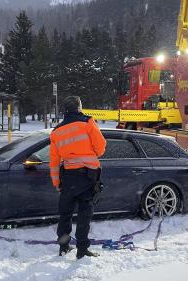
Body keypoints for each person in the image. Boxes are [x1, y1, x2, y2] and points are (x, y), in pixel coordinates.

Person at [49, 96, 107, 259]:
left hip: (68, 178)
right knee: (84, 214)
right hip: (88, 177)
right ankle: (82, 250)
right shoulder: (87, 122)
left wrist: (56, 182)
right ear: (79, 107)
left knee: (65, 214)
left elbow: (54, 162)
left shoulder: (56, 132)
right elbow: (101, 148)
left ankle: (64, 247)